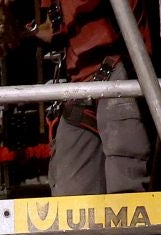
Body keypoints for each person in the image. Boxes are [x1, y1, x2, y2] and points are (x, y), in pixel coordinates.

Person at [46, 0, 152, 197]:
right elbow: (56, 28)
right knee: (69, 196)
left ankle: (128, 228)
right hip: (80, 79)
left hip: (118, 64)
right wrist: (13, 32)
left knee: (125, 185)